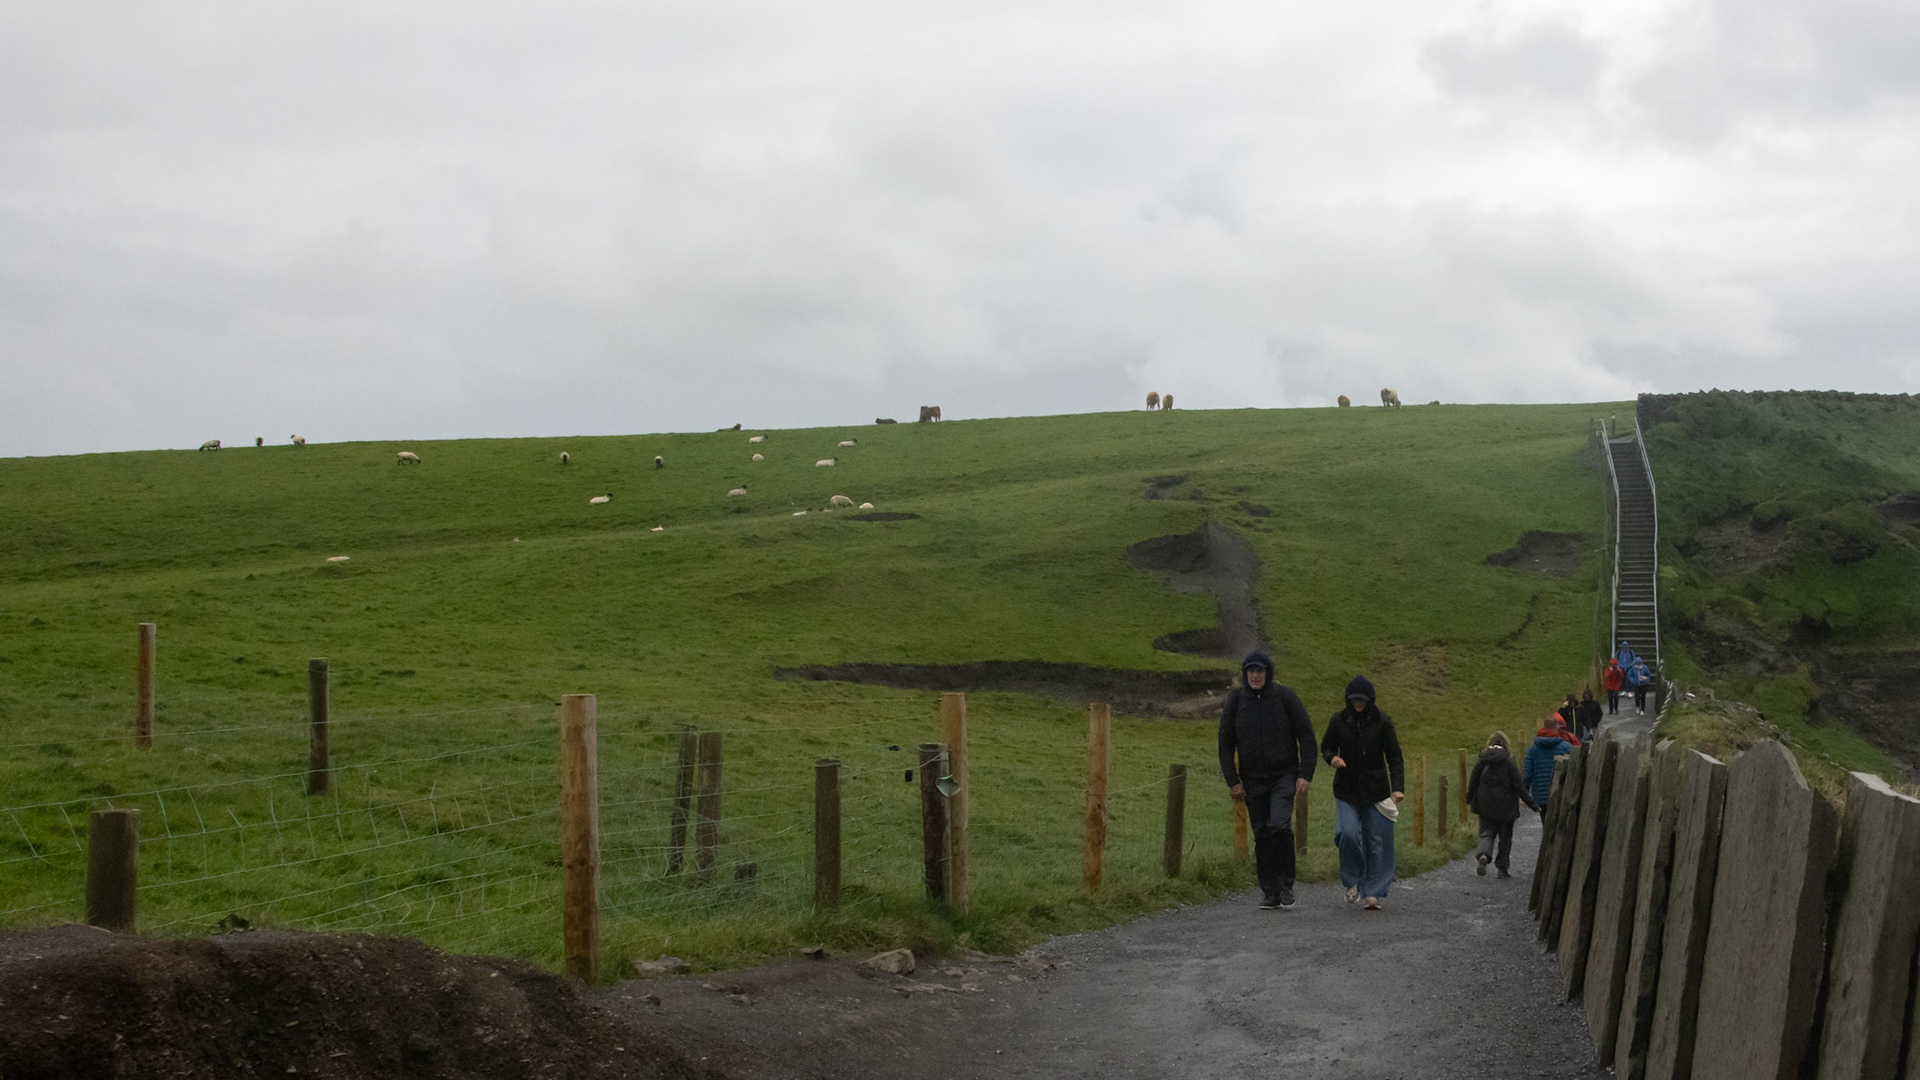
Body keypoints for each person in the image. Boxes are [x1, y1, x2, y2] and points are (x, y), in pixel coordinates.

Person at [1218, 651, 1317, 910]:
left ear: (1268, 673)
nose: (1255, 675)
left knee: (1280, 827)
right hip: (1251, 779)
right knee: (1261, 833)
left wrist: (1305, 774)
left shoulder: (1285, 697)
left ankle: (1286, 886)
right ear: (1245, 674)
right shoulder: (1236, 701)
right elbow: (1225, 743)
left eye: (1260, 670)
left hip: (1284, 775)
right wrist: (1233, 781)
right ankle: (1269, 892)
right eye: (1250, 671)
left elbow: (1306, 735)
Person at [1320, 675, 1405, 911]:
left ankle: (1374, 893)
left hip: (1376, 791)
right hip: (1346, 790)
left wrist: (1398, 788)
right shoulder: (1338, 721)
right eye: (1354, 699)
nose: (1358, 703)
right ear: (1348, 699)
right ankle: (1353, 881)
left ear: (1370, 700)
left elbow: (1395, 757)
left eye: (1362, 699)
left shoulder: (1383, 722)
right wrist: (1332, 759)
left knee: (1377, 842)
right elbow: (1326, 747)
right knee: (1347, 834)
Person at [1467, 732, 1536, 877]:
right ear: (1505, 745)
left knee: (1487, 833)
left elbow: (1473, 781)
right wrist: (1532, 804)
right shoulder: (1509, 762)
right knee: (1505, 838)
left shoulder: (1483, 760)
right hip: (1506, 806)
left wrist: (1469, 798)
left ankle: (1484, 854)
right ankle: (1502, 869)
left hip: (1485, 805)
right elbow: (1519, 785)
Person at [1522, 723, 1572, 821]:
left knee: (1546, 824)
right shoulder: (1566, 747)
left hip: (1541, 795)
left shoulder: (1532, 749)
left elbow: (1527, 773)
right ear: (1556, 728)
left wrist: (1524, 795)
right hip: (1560, 794)